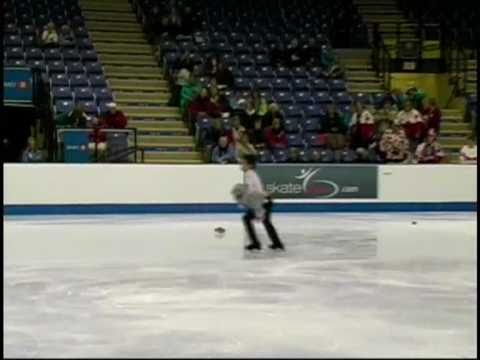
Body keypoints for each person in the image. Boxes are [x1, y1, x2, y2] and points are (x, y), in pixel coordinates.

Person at [232, 154, 284, 251]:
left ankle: (257, 243)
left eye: (243, 163)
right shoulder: (250, 173)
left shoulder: (249, 174)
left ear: (249, 165)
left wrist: (241, 197)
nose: (241, 165)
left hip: (262, 202)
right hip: (263, 201)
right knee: (265, 221)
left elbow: (251, 190)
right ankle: (275, 243)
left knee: (249, 219)